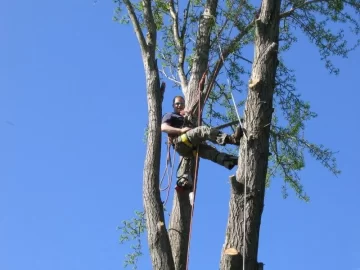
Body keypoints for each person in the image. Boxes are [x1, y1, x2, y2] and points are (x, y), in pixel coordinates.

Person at [161, 96, 243, 175]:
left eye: (182, 104)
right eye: (177, 103)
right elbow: (163, 127)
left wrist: (188, 115)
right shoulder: (170, 115)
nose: (179, 105)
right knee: (202, 130)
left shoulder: (185, 117)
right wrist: (181, 130)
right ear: (173, 105)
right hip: (180, 142)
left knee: (211, 152)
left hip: (190, 147)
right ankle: (232, 139)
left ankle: (236, 161)